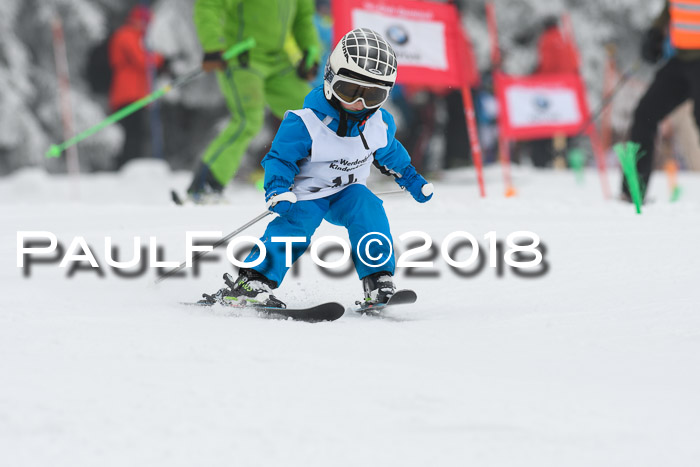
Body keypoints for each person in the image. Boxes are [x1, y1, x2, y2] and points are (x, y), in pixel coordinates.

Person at [198, 28, 434, 308]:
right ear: (331, 80)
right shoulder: (305, 123)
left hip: (348, 192)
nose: (359, 104)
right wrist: (277, 190)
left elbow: (391, 154)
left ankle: (378, 281)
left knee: (369, 208)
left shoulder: (379, 124)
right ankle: (252, 281)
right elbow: (280, 159)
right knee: (296, 224)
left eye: (372, 96)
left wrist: (412, 179)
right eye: (350, 90)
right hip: (305, 194)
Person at [186, 0, 321, 203]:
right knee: (248, 120)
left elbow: (303, 18)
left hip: (278, 60)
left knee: (313, 113)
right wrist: (213, 44)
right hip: (244, 56)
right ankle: (206, 184)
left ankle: (329, 177)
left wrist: (310, 51)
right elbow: (209, 5)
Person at [623, 0, 700, 201]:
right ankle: (633, 192)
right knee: (645, 115)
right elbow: (671, 9)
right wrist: (655, 33)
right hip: (681, 59)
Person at [108, 5, 166, 169]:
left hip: (138, 94)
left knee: (138, 134)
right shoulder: (126, 35)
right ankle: (125, 167)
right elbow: (142, 60)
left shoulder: (139, 38)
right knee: (130, 133)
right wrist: (161, 58)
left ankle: (131, 166)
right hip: (127, 94)